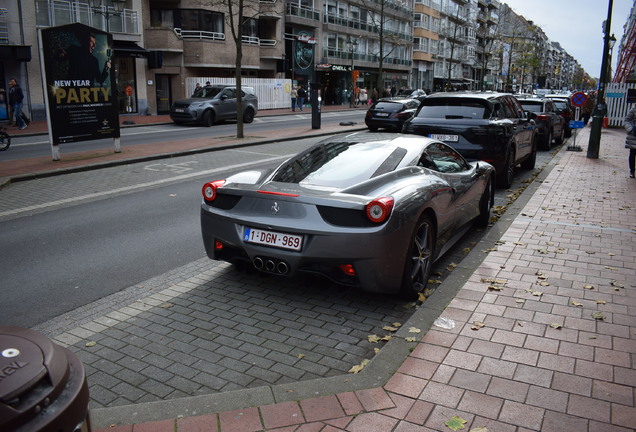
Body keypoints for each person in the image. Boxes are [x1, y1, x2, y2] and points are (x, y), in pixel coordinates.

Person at [623, 105, 636, 178]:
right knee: (633, 153)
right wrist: (631, 129)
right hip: (634, 135)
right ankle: (632, 171)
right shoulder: (634, 108)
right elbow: (627, 119)